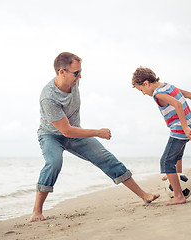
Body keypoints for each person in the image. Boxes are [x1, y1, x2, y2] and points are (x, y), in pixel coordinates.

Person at [31, 53, 160, 222]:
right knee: (54, 162)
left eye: (80, 72)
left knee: (106, 158)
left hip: (75, 132)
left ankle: (144, 195)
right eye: (76, 73)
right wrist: (98, 132)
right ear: (61, 72)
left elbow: (72, 130)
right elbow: (67, 131)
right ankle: (36, 210)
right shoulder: (48, 97)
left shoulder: (74, 82)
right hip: (51, 136)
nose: (80, 76)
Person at [131, 67, 191, 206]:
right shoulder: (167, 86)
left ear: (146, 83)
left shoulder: (158, 94)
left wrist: (184, 127)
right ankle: (176, 177)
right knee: (176, 156)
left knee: (166, 161)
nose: (143, 93)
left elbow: (177, 105)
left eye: (141, 90)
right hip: (190, 124)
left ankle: (178, 195)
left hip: (181, 128)